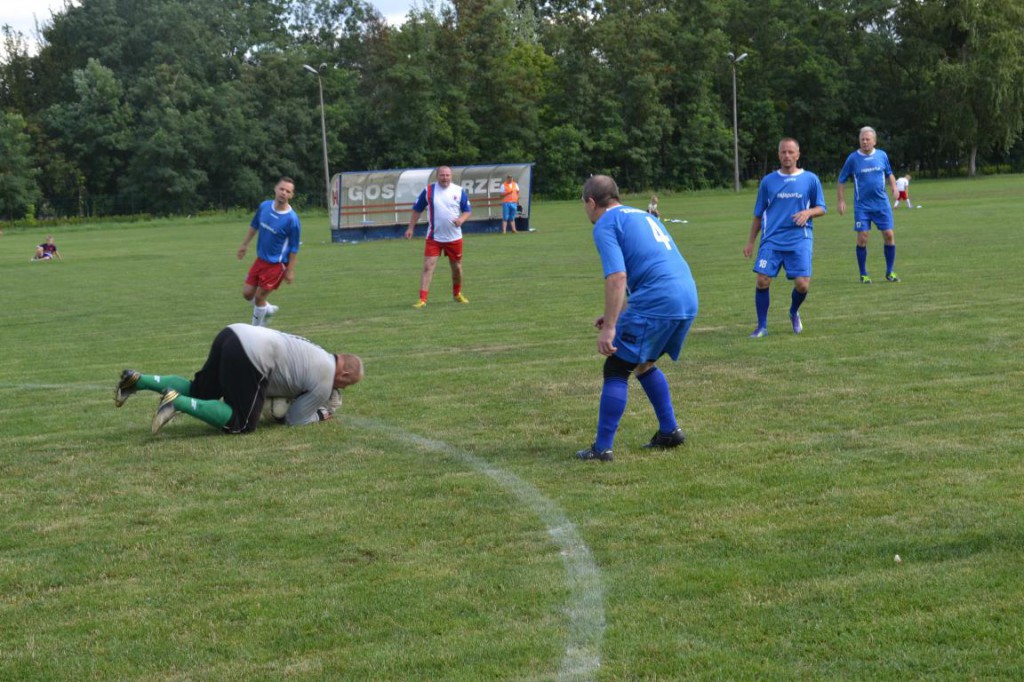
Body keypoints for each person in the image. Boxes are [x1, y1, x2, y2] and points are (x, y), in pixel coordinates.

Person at [576, 175, 699, 462]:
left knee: (617, 367)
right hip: (686, 295)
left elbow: (617, 276)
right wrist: (614, 315)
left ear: (592, 202)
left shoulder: (606, 224)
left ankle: (602, 448)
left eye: (584, 204)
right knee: (644, 363)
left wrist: (609, 328)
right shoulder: (643, 216)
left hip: (659, 299)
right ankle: (669, 431)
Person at [113, 323, 363, 434]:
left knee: (200, 390)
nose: (341, 388)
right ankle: (175, 403)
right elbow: (295, 419)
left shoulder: (318, 351)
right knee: (241, 423)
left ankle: (137, 379)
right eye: (346, 384)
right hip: (253, 355)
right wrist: (322, 414)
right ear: (344, 373)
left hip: (232, 333)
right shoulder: (324, 381)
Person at [743, 138, 827, 338]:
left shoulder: (810, 179)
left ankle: (793, 311)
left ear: (798, 155)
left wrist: (808, 213)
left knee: (802, 284)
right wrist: (750, 241)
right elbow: (758, 213)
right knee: (762, 280)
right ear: (778, 154)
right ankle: (762, 326)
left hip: (800, 239)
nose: (787, 156)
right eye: (783, 152)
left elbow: (822, 208)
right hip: (772, 240)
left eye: (791, 152)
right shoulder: (768, 182)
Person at [837, 127, 900, 283]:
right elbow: (841, 180)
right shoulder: (853, 158)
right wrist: (841, 200)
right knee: (863, 237)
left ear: (874, 141)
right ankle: (863, 274)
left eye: (867, 139)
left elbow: (889, 173)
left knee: (889, 235)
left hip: (881, 204)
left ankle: (890, 272)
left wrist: (894, 187)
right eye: (862, 139)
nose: (864, 142)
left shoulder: (882, 155)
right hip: (862, 206)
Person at [404, 166, 472, 307]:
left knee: (457, 268)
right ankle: (422, 299)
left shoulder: (459, 191)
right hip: (434, 237)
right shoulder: (428, 191)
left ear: (451, 176)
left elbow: (467, 211)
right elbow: (417, 210)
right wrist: (411, 228)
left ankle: (457, 294)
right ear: (437, 176)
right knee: (428, 266)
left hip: (454, 238)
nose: (445, 177)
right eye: (442, 175)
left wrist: (461, 220)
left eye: (447, 175)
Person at [237, 177, 301, 326]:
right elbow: (254, 225)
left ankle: (256, 330)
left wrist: (290, 270)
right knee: (247, 294)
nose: (283, 193)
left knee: (259, 298)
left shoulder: (292, 219)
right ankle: (267, 309)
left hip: (276, 265)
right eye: (282, 189)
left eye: (288, 191)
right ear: (275, 189)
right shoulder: (264, 206)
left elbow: (294, 247)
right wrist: (244, 244)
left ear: (291, 195)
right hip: (260, 260)